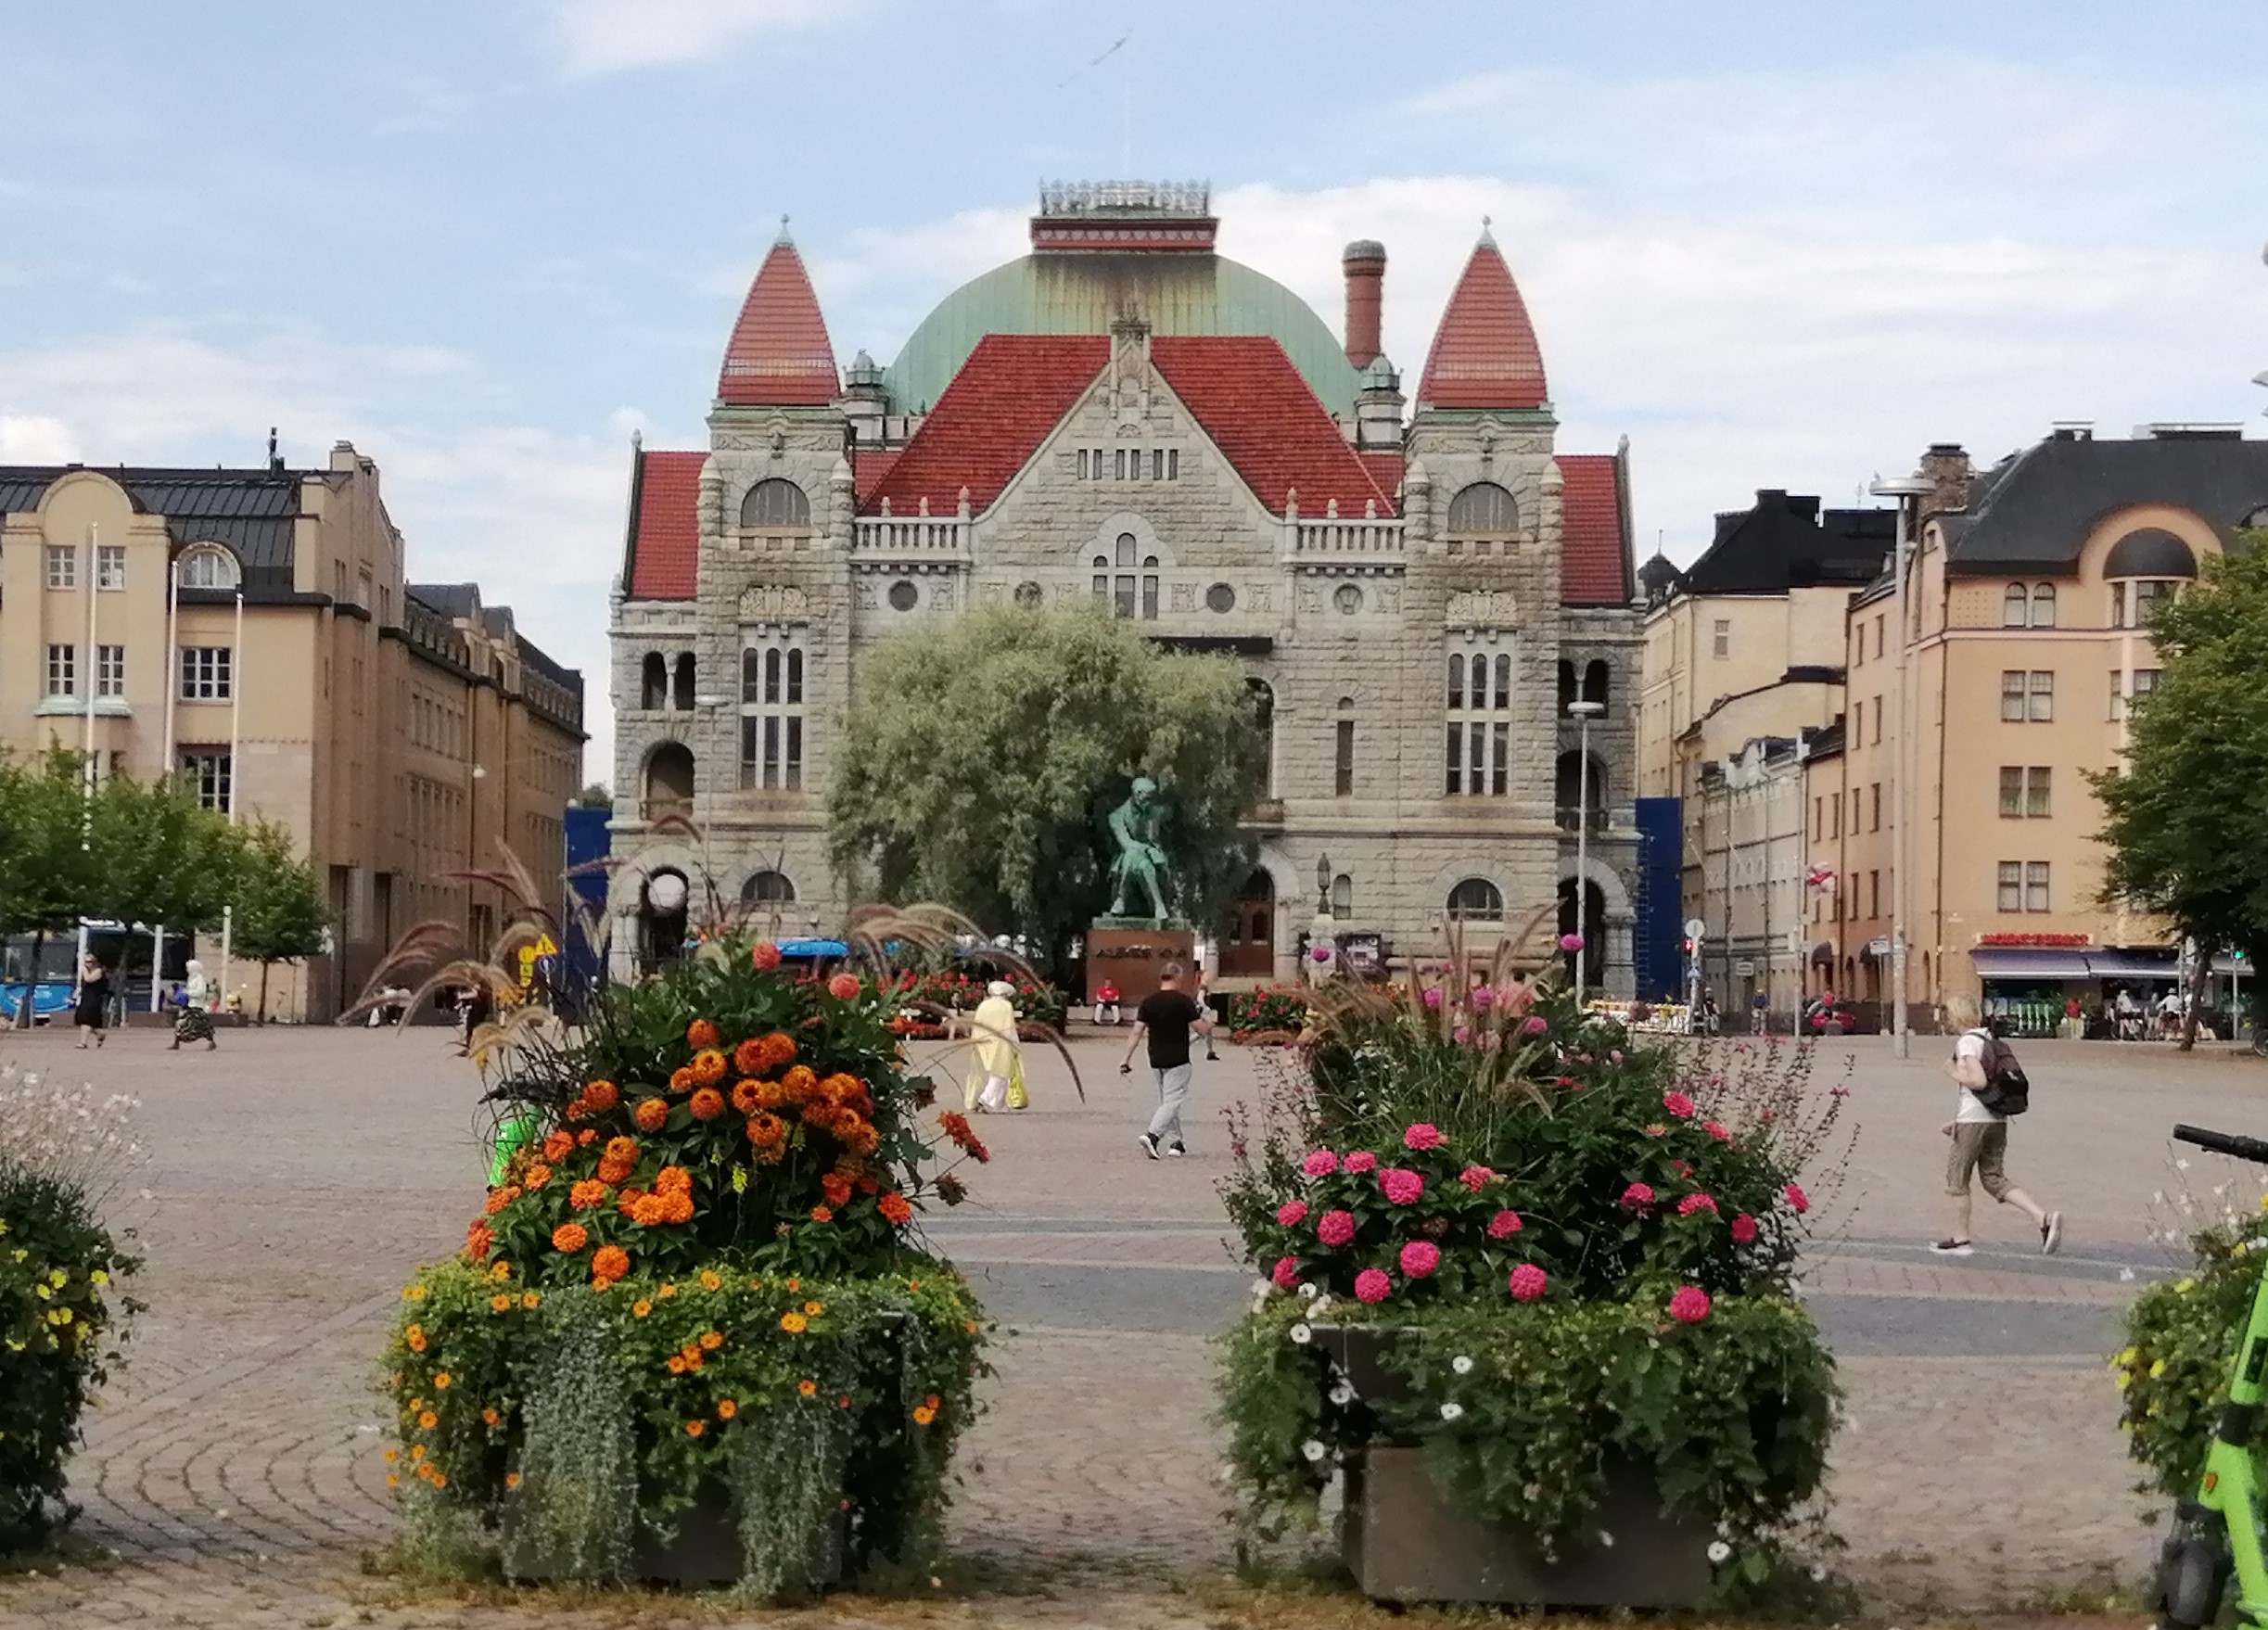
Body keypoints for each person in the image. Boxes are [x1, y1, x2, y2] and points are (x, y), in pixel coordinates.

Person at [1932, 1022, 2060, 1256]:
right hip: (1997, 1119)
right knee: (1993, 1177)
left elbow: (1979, 1082)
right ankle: (2042, 1217)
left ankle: (1961, 1239)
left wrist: (1951, 1072)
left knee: (1957, 1179)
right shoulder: (1990, 1039)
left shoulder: (1967, 1042)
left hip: (1974, 1120)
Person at [1120, 961, 1212, 1160]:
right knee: (1173, 1100)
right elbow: (1201, 1030)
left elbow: (1136, 1032)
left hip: (1155, 1057)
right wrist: (1210, 1022)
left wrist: (1126, 1059)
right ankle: (1152, 1135)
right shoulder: (1183, 1001)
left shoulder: (1148, 1002)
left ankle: (1176, 1142)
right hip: (1178, 1058)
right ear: (1178, 977)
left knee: (1168, 1102)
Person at [959, 981, 1023, 1114]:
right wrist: (1015, 1044)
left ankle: (999, 1105)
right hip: (1002, 1042)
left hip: (984, 1041)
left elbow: (977, 1024)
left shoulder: (984, 1005)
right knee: (1001, 1073)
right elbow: (1010, 1027)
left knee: (998, 1073)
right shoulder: (1006, 1006)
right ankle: (986, 1099)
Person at [171, 959, 218, 1051]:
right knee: (181, 1023)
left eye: (189, 968)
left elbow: (200, 992)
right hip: (190, 1005)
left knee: (200, 1025)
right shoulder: (191, 978)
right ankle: (176, 1042)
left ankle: (211, 1042)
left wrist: (188, 993)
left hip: (198, 1006)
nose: (187, 970)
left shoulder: (200, 979)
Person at [73, 958, 111, 1050]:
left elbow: (89, 979)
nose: (87, 964)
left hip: (94, 999)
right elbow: (84, 985)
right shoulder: (86, 972)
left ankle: (83, 1043)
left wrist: (84, 971)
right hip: (85, 998)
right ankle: (100, 1034)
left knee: (86, 1019)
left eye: (90, 962)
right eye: (86, 962)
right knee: (83, 1019)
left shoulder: (98, 971)